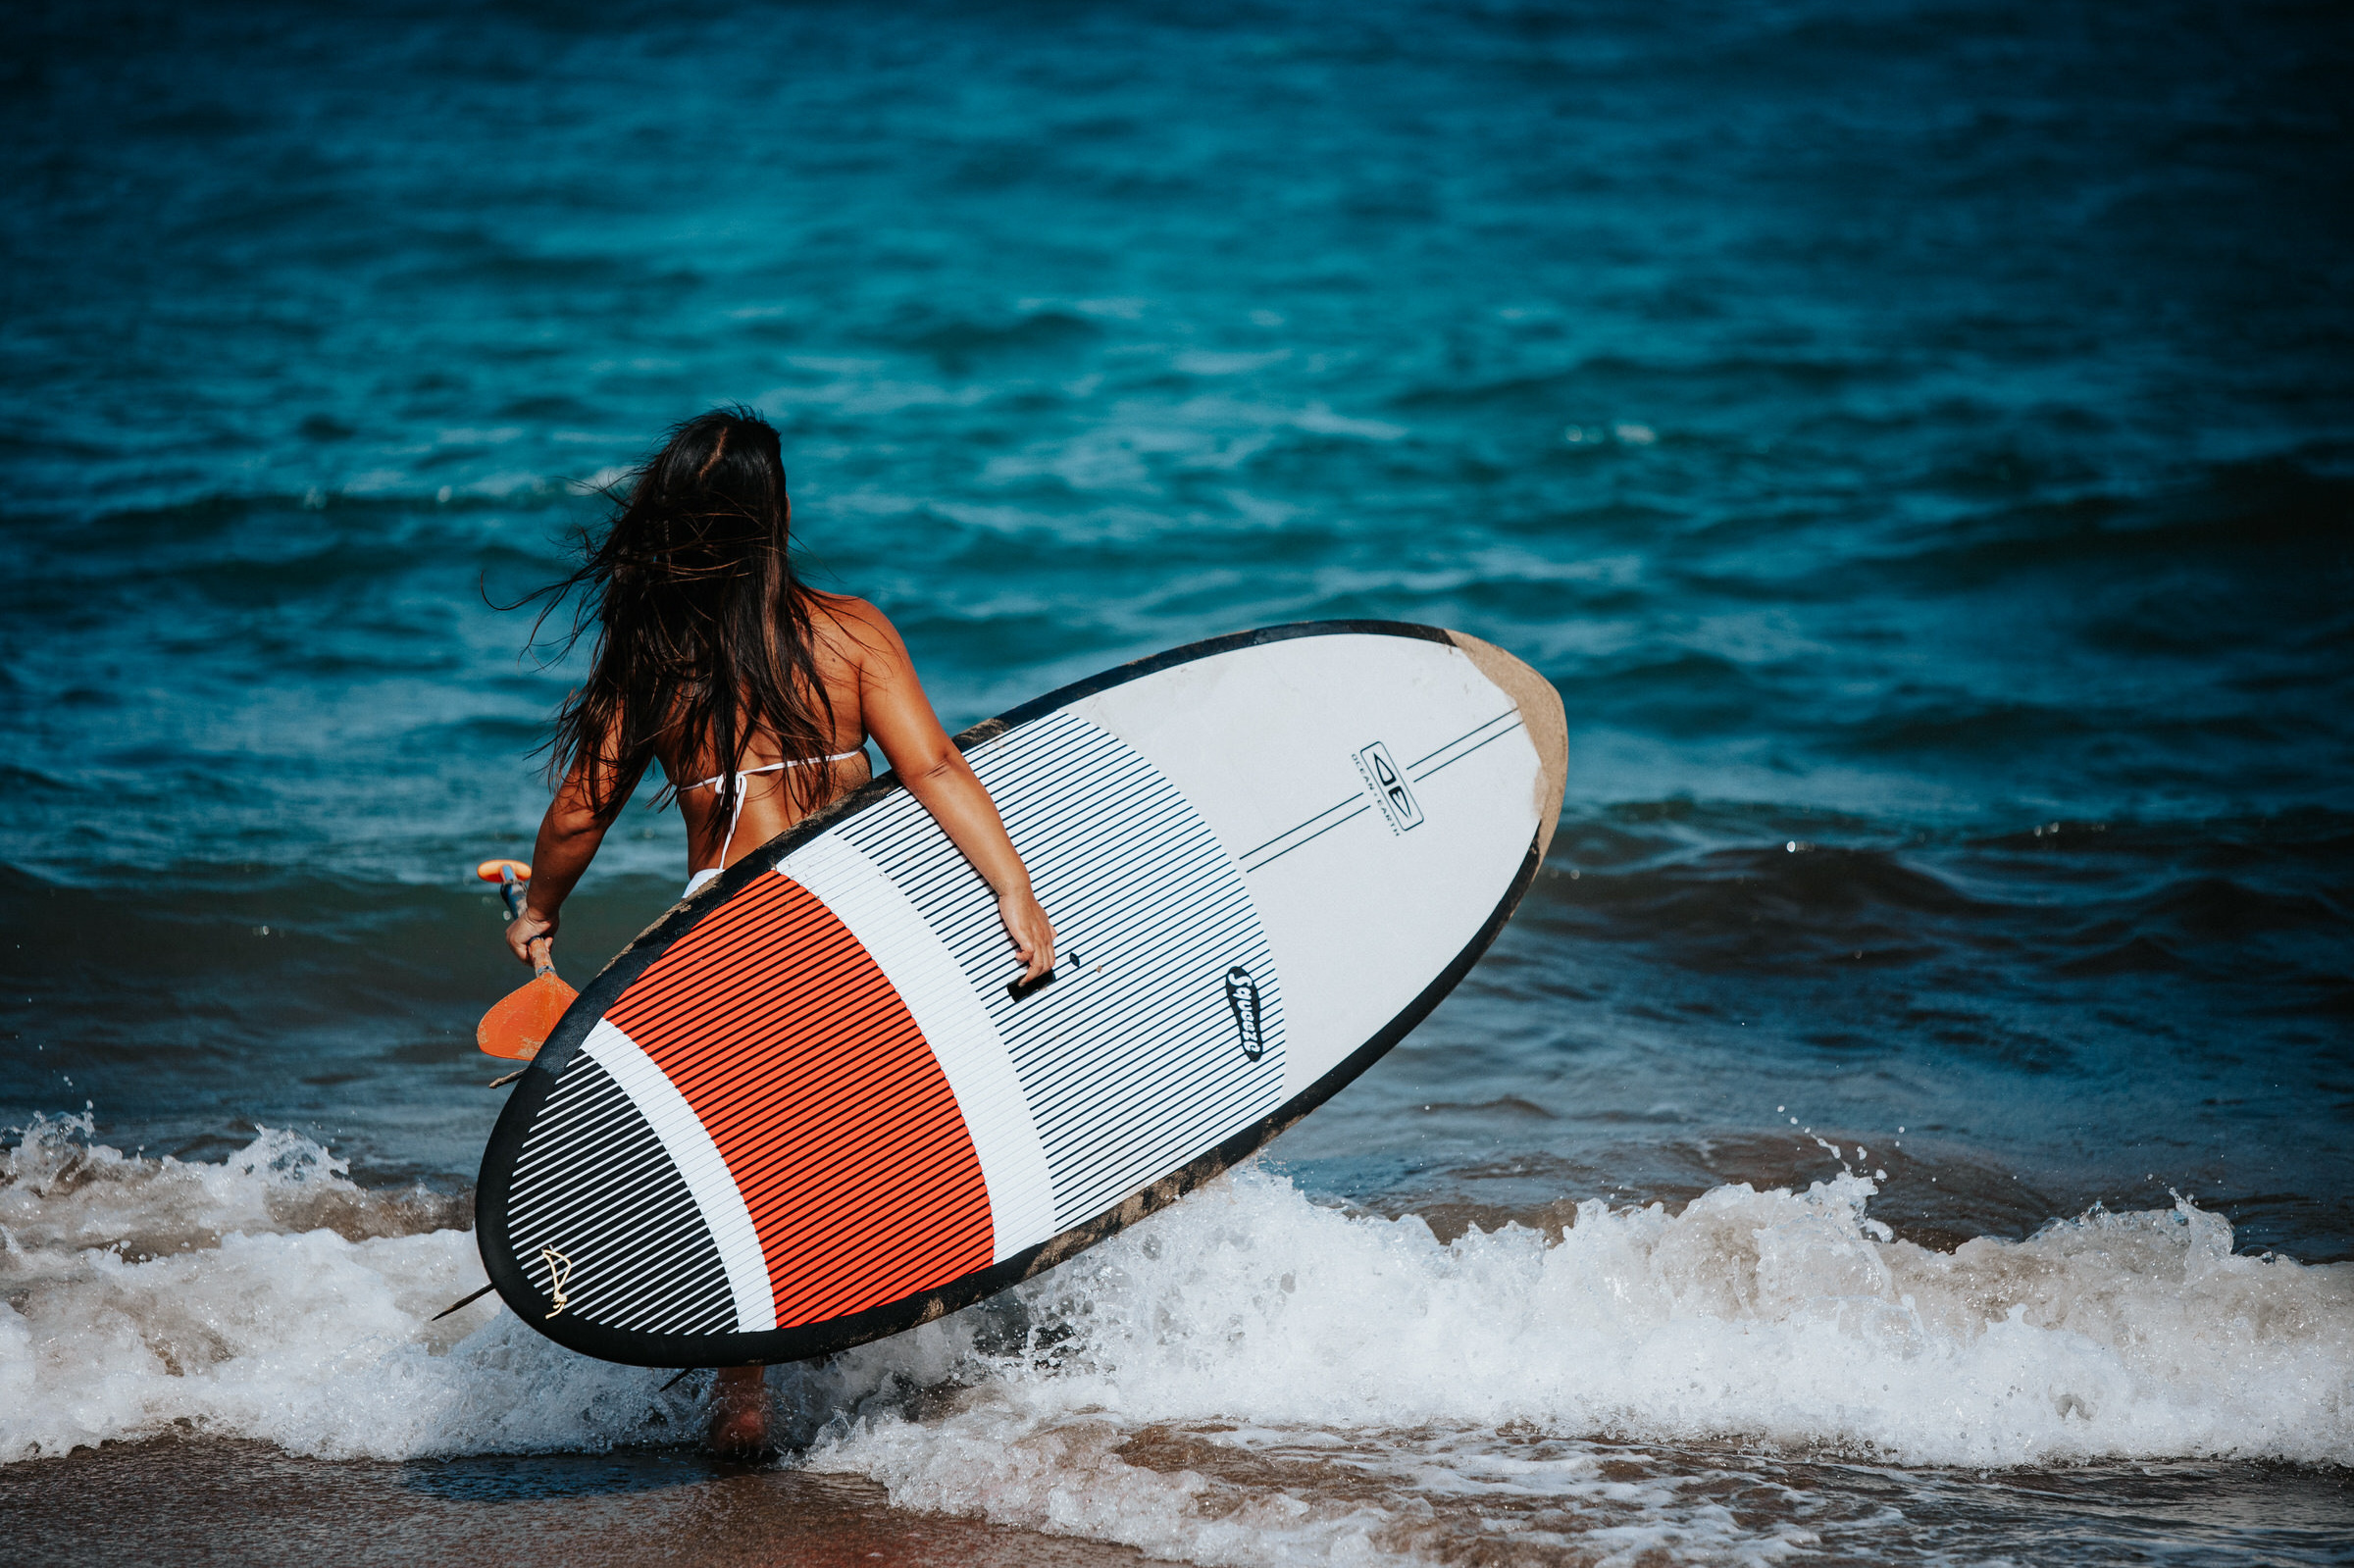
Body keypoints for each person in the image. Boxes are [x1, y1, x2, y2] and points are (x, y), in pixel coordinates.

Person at [501, 406, 1055, 1459]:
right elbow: (934, 766)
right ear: (776, 515)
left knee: (753, 1163)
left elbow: (579, 812)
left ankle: (742, 1393)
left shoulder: (656, 658)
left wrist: (541, 910)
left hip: (721, 936)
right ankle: (913, 1358)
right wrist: (1011, 887)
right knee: (874, 1135)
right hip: (847, 924)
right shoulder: (852, 633)